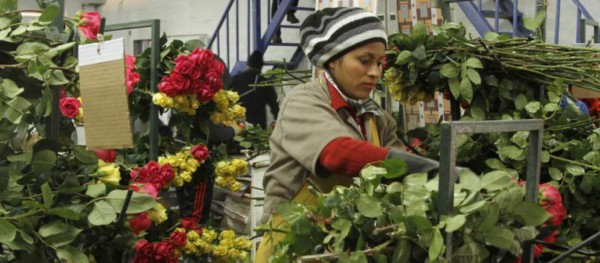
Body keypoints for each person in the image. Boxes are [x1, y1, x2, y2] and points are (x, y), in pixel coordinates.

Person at [255, 7, 441, 261]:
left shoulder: (376, 117)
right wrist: (427, 168)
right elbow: (336, 153)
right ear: (333, 59)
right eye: (364, 61)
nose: (375, 72)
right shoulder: (304, 101)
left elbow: (400, 176)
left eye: (379, 63)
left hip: (344, 249)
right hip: (292, 247)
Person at [231, 50, 280, 129]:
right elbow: (275, 106)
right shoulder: (265, 82)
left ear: (248, 64)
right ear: (261, 66)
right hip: (258, 127)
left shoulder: (236, 79)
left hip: (238, 125)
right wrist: (278, 123)